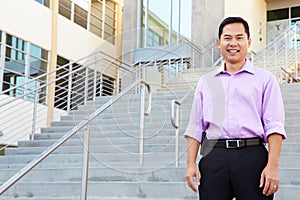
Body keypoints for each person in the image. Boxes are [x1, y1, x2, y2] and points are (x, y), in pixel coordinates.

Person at [184, 17, 286, 200]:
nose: (233, 43)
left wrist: (272, 166)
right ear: (218, 42)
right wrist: (190, 163)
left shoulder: (265, 79)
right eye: (227, 38)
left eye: (239, 38)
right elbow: (195, 126)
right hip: (214, 155)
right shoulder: (206, 82)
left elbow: (275, 125)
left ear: (248, 41)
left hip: (252, 156)